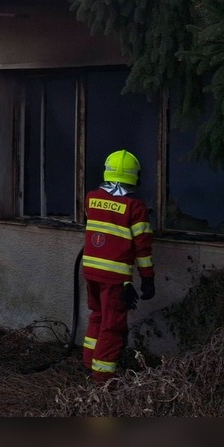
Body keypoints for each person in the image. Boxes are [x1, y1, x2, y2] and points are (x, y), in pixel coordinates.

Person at [81, 149, 155, 383]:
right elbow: (143, 248)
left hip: (90, 272)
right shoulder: (136, 207)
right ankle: (102, 381)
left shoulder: (91, 198)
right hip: (115, 279)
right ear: (135, 176)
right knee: (112, 327)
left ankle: (89, 364)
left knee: (97, 317)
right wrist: (147, 278)